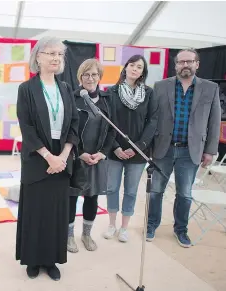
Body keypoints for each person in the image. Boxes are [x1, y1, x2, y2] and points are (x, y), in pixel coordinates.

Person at [15, 36, 79, 281]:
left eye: (59, 54)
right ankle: (32, 260)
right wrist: (48, 156)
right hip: (37, 156)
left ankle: (51, 260)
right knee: (35, 210)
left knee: (55, 212)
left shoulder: (65, 89)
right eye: (50, 53)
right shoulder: (26, 89)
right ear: (38, 57)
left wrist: (62, 156)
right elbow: (27, 127)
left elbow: (74, 122)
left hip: (61, 156)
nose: (55, 58)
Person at [147, 49, 221, 248]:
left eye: (189, 61)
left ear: (197, 64)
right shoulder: (161, 86)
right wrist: (149, 147)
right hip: (163, 148)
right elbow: (152, 118)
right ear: (176, 65)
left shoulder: (210, 88)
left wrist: (210, 150)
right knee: (155, 191)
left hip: (191, 151)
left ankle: (181, 230)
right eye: (181, 62)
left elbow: (214, 122)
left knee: (185, 194)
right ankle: (151, 225)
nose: (185, 65)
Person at [103, 55, 158, 243]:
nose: (135, 69)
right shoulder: (112, 92)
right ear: (125, 67)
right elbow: (106, 122)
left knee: (131, 191)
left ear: (143, 72)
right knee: (111, 188)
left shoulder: (149, 94)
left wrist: (139, 146)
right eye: (132, 65)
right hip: (114, 150)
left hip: (139, 151)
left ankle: (124, 227)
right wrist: (116, 147)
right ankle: (112, 224)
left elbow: (153, 122)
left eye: (139, 67)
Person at [67, 59, 115, 253]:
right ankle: (68, 236)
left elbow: (112, 130)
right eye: (86, 74)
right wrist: (80, 154)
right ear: (80, 77)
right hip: (76, 156)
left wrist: (103, 153)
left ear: (99, 77)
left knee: (92, 197)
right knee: (71, 197)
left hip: (97, 159)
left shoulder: (107, 100)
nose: (90, 78)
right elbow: (66, 130)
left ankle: (86, 234)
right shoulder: (71, 98)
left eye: (94, 74)